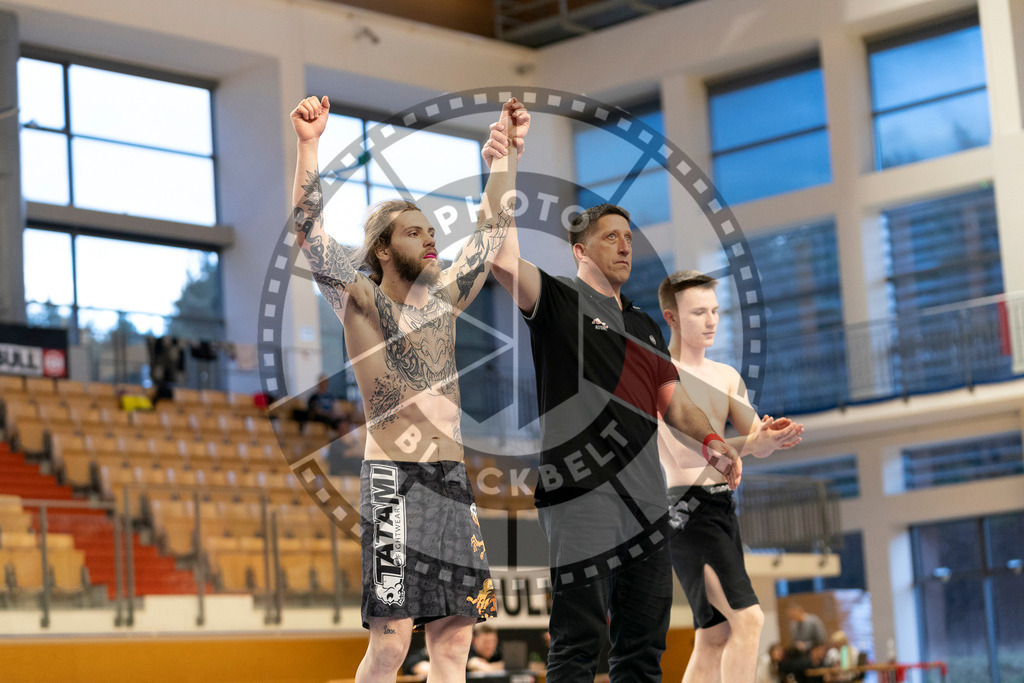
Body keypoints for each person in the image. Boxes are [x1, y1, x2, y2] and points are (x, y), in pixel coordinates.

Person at [483, 127, 741, 681]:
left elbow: (674, 403)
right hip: (579, 496)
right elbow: (503, 258)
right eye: (610, 238)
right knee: (580, 642)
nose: (626, 245)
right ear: (580, 250)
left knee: (644, 649)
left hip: (646, 505)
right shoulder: (555, 297)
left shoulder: (646, 325)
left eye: (629, 237)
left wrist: (715, 444)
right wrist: (506, 163)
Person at [290, 94, 530, 682]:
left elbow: (492, 228)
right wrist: (309, 145)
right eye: (415, 233)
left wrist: (507, 154)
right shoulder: (362, 300)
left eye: (431, 232)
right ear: (381, 248)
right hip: (392, 482)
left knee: (454, 643)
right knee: (393, 646)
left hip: (450, 481)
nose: (430, 241)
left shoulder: (447, 299)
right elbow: (308, 230)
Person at [655, 270, 804, 683]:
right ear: (671, 317)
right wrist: (748, 446)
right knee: (749, 620)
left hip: (722, 507)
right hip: (686, 510)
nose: (711, 321)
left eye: (715, 311)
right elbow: (687, 457)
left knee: (715, 632)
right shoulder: (662, 375)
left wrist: (772, 437)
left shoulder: (725, 376)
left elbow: (753, 436)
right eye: (699, 312)